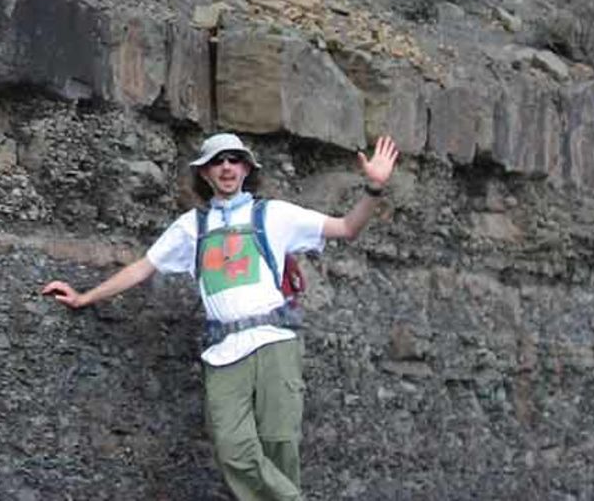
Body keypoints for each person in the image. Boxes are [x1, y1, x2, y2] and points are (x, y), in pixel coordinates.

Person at [41, 132, 399, 501]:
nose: (226, 166)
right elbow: (141, 269)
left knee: (279, 443)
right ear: (205, 174)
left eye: (234, 159)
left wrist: (373, 188)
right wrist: (85, 297)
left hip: (274, 342)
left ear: (246, 168)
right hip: (223, 350)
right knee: (233, 450)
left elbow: (346, 228)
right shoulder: (190, 227)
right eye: (217, 161)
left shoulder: (274, 214)